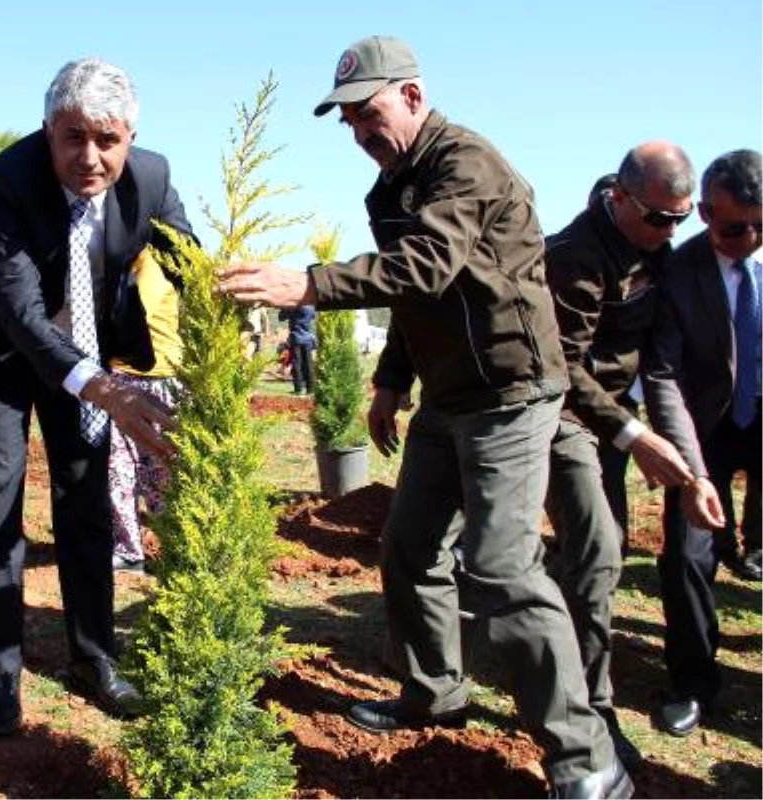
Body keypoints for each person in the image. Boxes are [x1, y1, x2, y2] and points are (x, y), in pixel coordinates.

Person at [218, 36, 629, 798]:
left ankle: (587, 761)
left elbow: (423, 267)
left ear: (412, 94)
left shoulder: (465, 164)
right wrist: (388, 382)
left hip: (511, 393)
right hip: (447, 399)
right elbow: (415, 304)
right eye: (346, 120)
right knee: (408, 548)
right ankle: (435, 690)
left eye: (368, 112)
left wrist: (303, 284)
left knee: (503, 568)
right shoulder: (389, 190)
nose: (359, 132)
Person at [0, 57, 191, 737]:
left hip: (87, 352)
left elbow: (189, 262)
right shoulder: (4, 182)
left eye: (107, 141)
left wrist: (222, 325)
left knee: (85, 496)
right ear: (48, 130)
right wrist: (103, 387)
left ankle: (93, 657)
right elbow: (23, 313)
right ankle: (1, 664)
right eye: (73, 137)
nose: (90, 157)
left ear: (131, 139)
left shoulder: (153, 178)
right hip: (2, 352)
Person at [543, 143, 708, 770]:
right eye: (660, 219)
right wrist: (633, 436)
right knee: (599, 547)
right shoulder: (575, 258)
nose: (670, 232)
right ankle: (592, 706)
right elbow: (565, 368)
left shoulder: (658, 248)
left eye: (681, 219)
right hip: (565, 416)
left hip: (616, 417)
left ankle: (555, 640)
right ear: (620, 199)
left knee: (598, 552)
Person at [642, 149, 763, 738]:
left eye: (762, 225)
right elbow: (662, 376)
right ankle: (693, 682)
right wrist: (691, 473)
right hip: (705, 427)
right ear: (706, 213)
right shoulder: (679, 271)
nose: (750, 239)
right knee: (689, 554)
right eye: (736, 228)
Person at [108, 250, 181, 573]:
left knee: (163, 468)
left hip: (165, 376)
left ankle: (171, 543)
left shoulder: (167, 261)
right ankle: (127, 549)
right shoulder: (108, 257)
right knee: (117, 468)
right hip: (116, 379)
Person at [279, 304, 316, 395]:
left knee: (296, 364)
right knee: (308, 364)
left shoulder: (292, 307)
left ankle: (298, 389)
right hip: (308, 339)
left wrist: (284, 306)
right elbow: (313, 316)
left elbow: (281, 317)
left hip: (296, 338)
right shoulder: (310, 307)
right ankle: (310, 389)